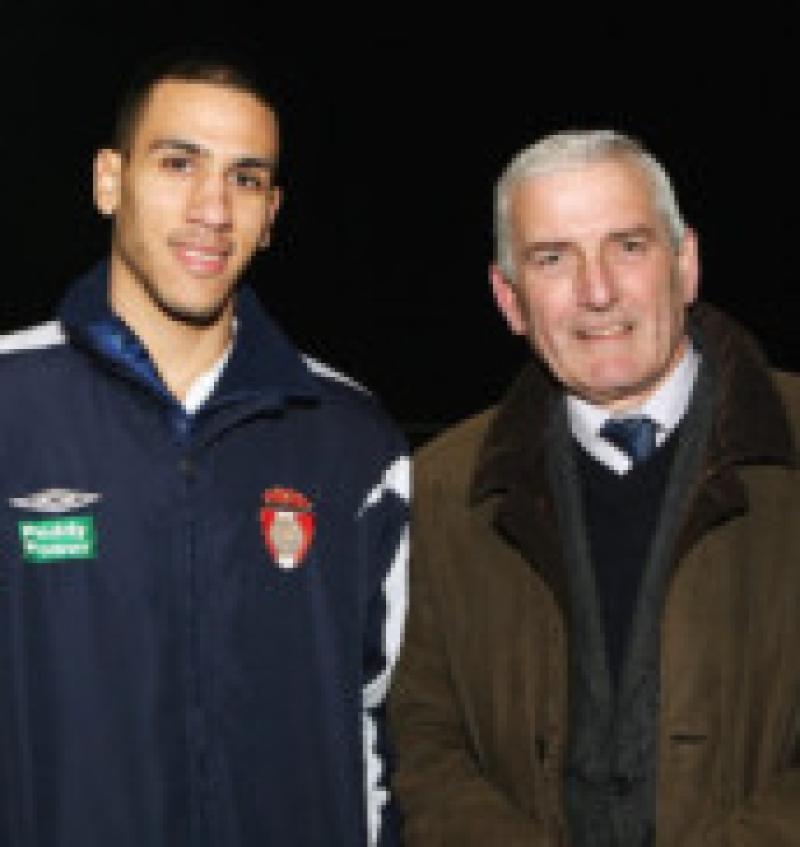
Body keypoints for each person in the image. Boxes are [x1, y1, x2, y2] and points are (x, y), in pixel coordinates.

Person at [0, 54, 408, 847]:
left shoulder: (354, 442)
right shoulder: (12, 403)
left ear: (272, 211)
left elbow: (393, 733)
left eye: (246, 179)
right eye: (179, 163)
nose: (212, 209)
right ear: (109, 181)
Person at [390, 129, 800, 845]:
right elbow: (423, 739)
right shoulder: (440, 491)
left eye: (629, 246)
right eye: (553, 259)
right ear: (509, 298)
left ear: (687, 263)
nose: (598, 290)